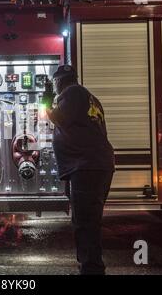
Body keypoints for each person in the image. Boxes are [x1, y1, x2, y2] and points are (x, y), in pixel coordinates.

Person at [46, 64, 115, 275]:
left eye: (55, 83)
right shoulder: (88, 96)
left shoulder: (73, 93)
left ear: (59, 82)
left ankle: (91, 269)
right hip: (96, 166)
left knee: (84, 222)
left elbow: (58, 118)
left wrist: (47, 100)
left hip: (87, 167)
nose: (55, 87)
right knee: (89, 221)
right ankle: (89, 265)